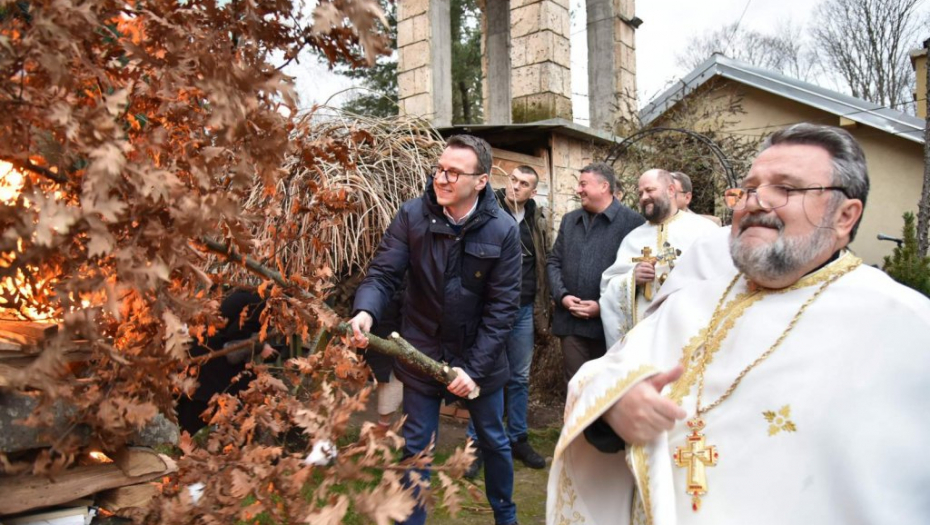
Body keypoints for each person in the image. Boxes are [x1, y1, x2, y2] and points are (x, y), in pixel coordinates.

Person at [547, 123, 930, 525]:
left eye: (786, 188)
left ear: (845, 215)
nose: (755, 202)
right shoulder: (693, 300)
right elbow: (605, 375)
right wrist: (615, 407)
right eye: (748, 189)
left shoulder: (907, 329)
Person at [349, 134, 521, 525]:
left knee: (494, 442)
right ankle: (412, 519)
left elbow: (502, 309)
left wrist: (473, 369)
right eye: (439, 169)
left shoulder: (504, 231)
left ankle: (506, 517)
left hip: (481, 357)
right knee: (416, 446)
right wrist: (365, 311)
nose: (442, 179)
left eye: (454, 173)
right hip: (422, 351)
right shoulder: (412, 216)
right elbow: (383, 273)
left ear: (481, 180)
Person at [465, 165, 551, 478]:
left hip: (523, 310)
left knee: (519, 378)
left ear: (533, 191)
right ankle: (476, 445)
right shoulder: (488, 209)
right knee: (482, 373)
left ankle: (517, 439)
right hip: (488, 312)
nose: (515, 186)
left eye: (524, 183)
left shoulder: (537, 220)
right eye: (513, 180)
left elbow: (542, 263)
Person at [546, 162, 644, 383]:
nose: (578, 190)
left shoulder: (633, 223)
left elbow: (637, 276)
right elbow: (553, 262)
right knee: (577, 388)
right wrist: (562, 297)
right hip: (571, 323)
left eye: (583, 184)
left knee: (609, 392)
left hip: (612, 326)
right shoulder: (570, 221)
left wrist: (603, 306)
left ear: (604, 186)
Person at [599, 169, 718, 348]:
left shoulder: (704, 231)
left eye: (650, 190)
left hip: (689, 332)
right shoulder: (633, 238)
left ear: (671, 190)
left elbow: (722, 278)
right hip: (644, 338)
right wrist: (632, 278)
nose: (644, 197)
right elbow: (608, 287)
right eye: (640, 193)